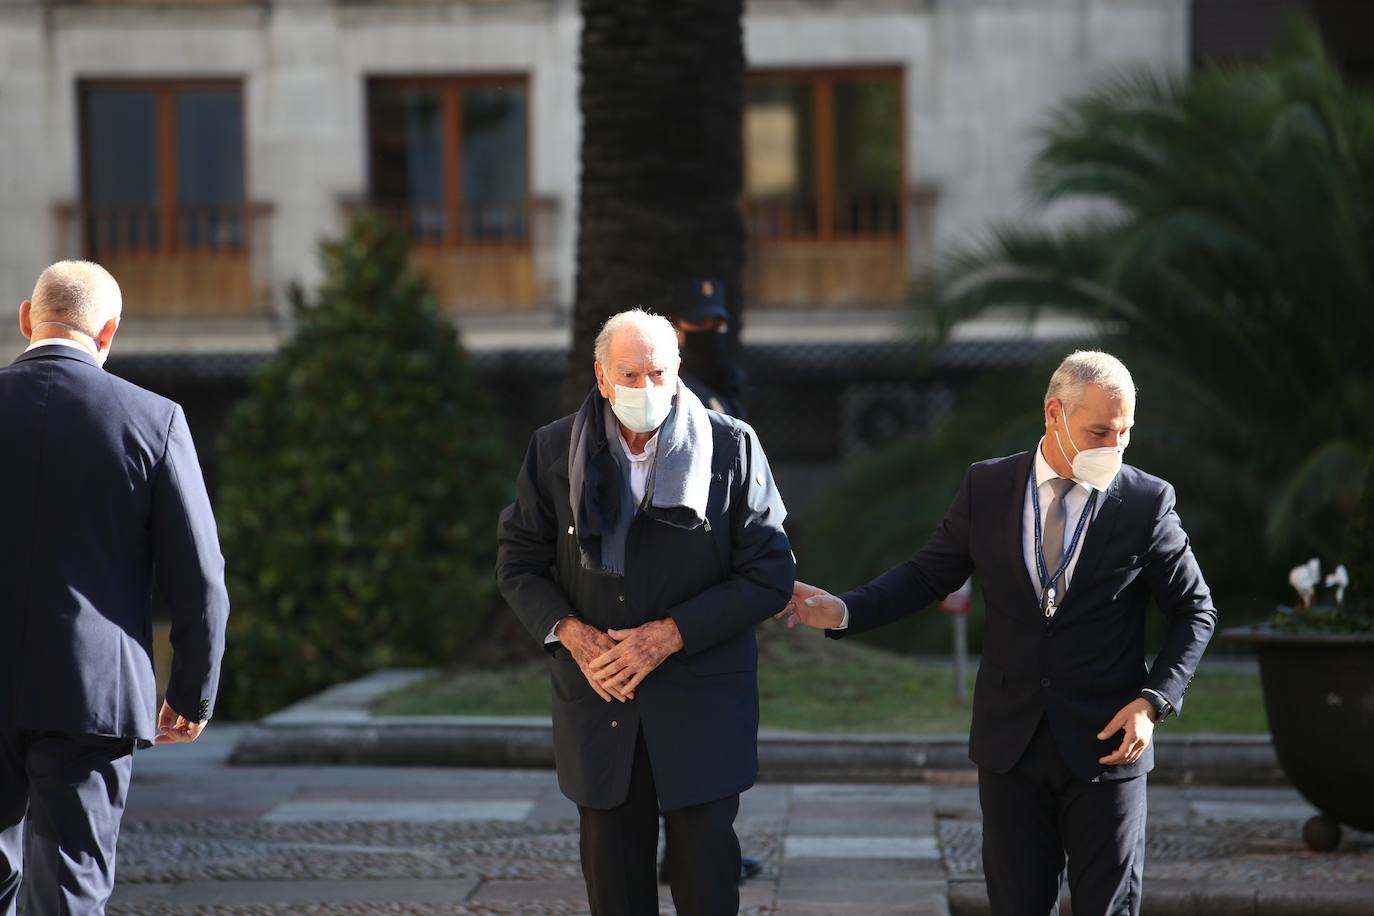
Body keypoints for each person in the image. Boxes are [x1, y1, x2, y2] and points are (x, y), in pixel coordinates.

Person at [781, 351, 1216, 916]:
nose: (1117, 445)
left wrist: (1153, 702)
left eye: (1126, 430)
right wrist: (843, 611)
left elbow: (1195, 609)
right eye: (1101, 430)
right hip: (1011, 743)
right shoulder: (988, 486)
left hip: (1108, 742)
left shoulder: (1146, 500)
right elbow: (926, 574)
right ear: (1054, 412)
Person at [496, 309, 793, 916]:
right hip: (602, 703)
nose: (645, 389)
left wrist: (669, 635)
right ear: (602, 379)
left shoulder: (731, 445)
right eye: (629, 376)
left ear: (677, 369)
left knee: (708, 879)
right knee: (615, 887)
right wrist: (573, 635)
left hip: (702, 701)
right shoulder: (555, 448)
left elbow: (769, 574)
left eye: (658, 373)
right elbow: (518, 564)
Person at [0, 261, 230, 915]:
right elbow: (202, 577)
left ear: (26, 318)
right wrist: (191, 691)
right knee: (71, 886)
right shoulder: (153, 420)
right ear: (110, 330)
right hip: (89, 692)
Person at [671, 279, 747, 420]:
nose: (710, 329)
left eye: (717, 322)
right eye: (699, 322)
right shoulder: (672, 388)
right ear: (676, 328)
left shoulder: (728, 379)